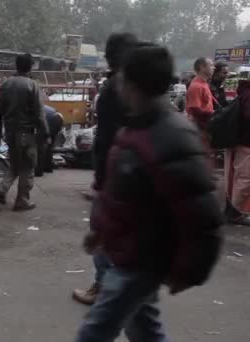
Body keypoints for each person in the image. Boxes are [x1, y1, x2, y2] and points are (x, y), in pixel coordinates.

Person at [75, 44, 223, 342]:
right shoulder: (133, 127)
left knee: (95, 330)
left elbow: (203, 215)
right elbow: (117, 191)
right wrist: (100, 230)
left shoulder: (173, 137)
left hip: (143, 258)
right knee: (144, 328)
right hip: (124, 249)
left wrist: (191, 269)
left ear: (133, 84)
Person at [73, 33, 138, 306]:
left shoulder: (114, 89)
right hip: (137, 173)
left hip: (116, 175)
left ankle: (103, 286)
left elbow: (107, 139)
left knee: (103, 229)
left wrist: (101, 178)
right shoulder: (138, 87)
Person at [0, 53, 49, 211]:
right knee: (28, 167)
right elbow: (39, 113)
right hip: (26, 133)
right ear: (30, 66)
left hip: (10, 133)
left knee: (14, 165)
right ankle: (22, 200)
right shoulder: (32, 85)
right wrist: (45, 133)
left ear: (16, 65)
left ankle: (1, 189)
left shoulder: (6, 84)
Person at [224, 80, 250, 226]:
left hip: (239, 140)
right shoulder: (248, 92)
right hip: (244, 142)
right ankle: (235, 212)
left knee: (237, 177)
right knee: (244, 178)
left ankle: (233, 210)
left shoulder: (245, 91)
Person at [186, 57, 215, 138]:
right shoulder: (197, 86)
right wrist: (214, 115)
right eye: (211, 65)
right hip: (200, 131)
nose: (214, 67)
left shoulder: (203, 84)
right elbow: (195, 109)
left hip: (205, 128)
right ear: (202, 67)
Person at [36, 105, 63, 176]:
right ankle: (48, 168)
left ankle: (38, 171)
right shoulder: (40, 106)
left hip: (52, 121)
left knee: (40, 146)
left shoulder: (32, 109)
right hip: (58, 118)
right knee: (49, 146)